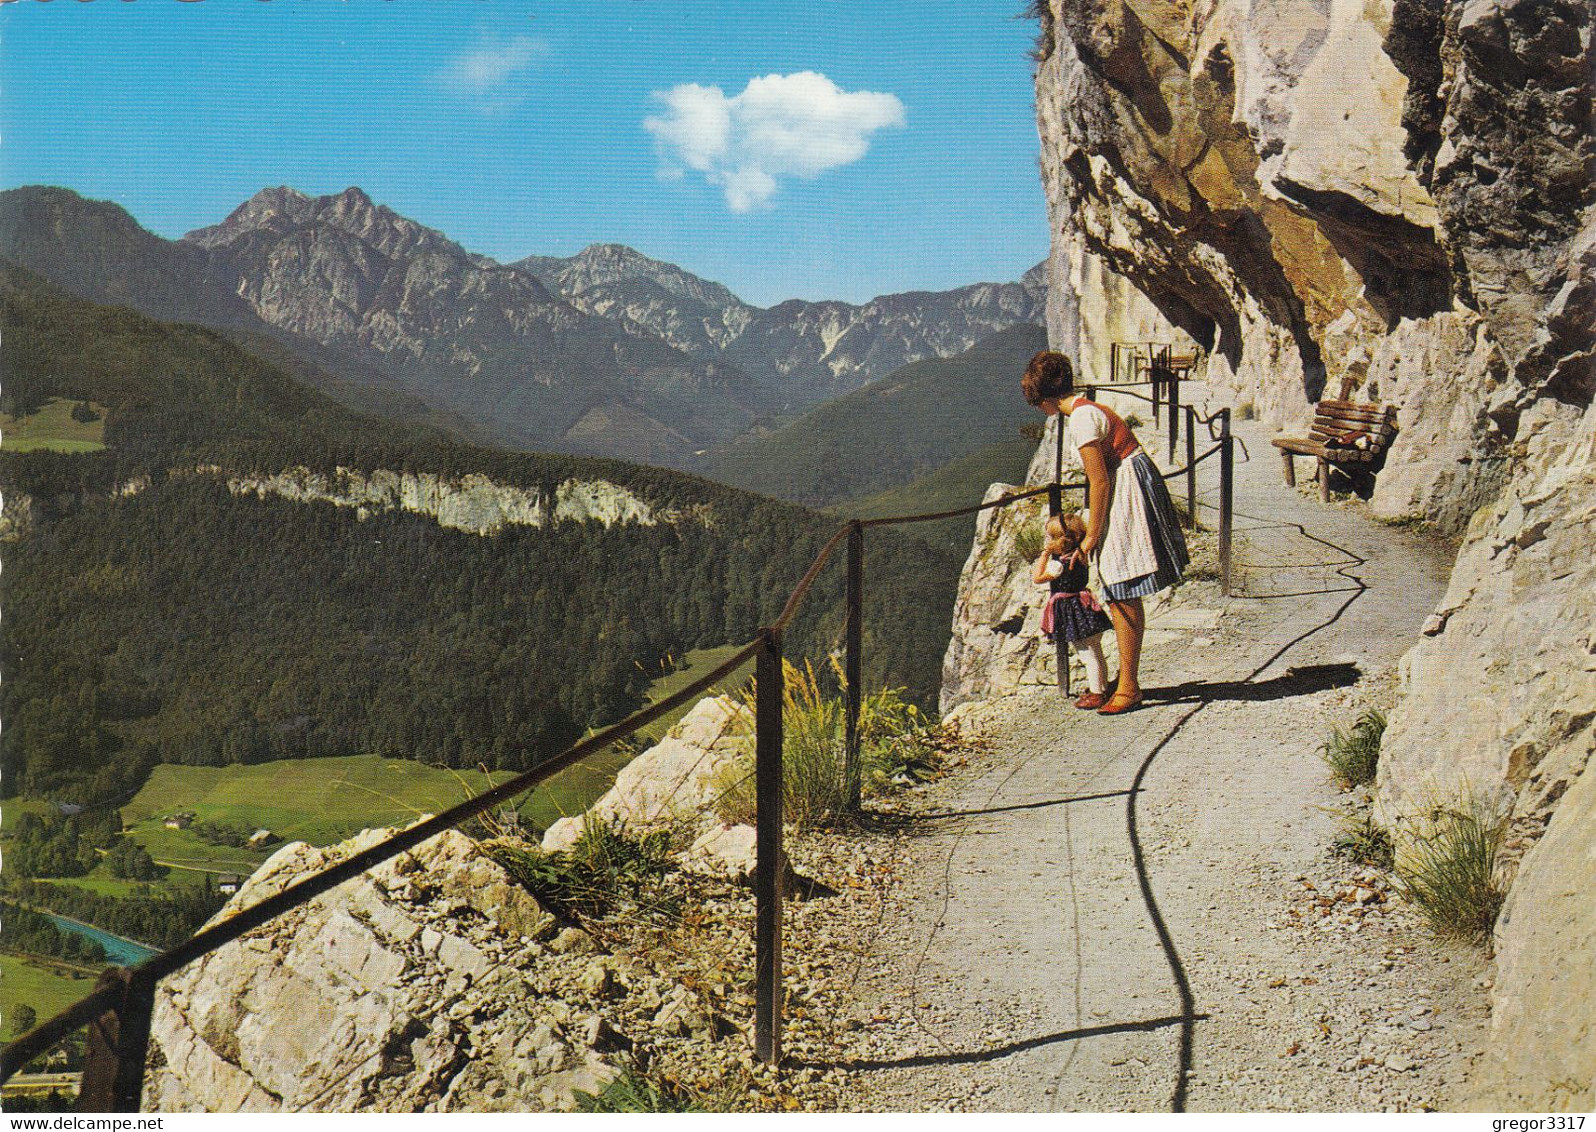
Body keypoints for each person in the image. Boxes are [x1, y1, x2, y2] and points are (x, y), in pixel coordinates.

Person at [1022, 350, 1189, 714]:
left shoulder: (1081, 419)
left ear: (1044, 399)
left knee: (1122, 585)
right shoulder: (1088, 409)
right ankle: (1127, 680)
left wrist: (1092, 535)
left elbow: (1098, 480)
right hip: (1129, 480)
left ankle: (1129, 687)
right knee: (1119, 586)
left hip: (1126, 486)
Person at [1033, 512, 1113, 709]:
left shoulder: (1058, 565)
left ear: (1061, 541)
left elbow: (1037, 577)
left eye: (1051, 537)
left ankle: (1096, 694)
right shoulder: (1081, 555)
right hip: (1086, 606)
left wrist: (1044, 554)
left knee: (1086, 655)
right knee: (1097, 651)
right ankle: (1102, 687)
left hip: (1073, 612)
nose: (1048, 540)